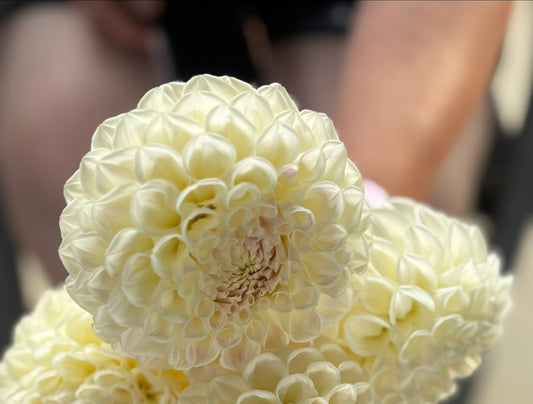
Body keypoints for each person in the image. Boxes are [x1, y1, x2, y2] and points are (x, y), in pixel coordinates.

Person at [0, 0, 512, 308]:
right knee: (69, 153)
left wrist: (355, 218)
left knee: (403, 234)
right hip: (114, 20)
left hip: (362, 19)